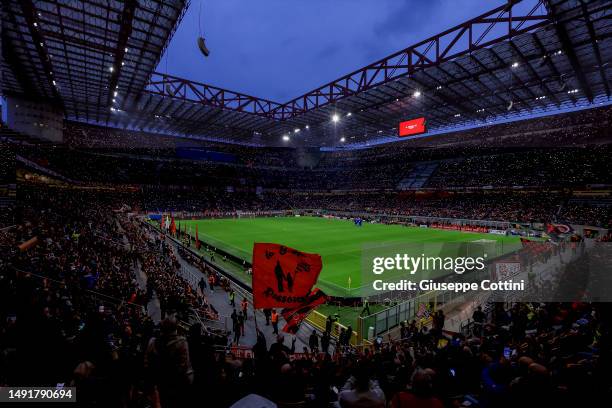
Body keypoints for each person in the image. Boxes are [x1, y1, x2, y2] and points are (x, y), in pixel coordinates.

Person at [144, 314, 194, 408]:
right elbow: (185, 366)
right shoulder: (181, 343)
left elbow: (147, 363)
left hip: (160, 382)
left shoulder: (152, 342)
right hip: (176, 383)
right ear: (175, 328)